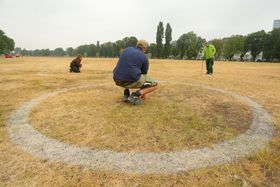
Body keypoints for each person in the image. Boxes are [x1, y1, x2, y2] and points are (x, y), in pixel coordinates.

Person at [113, 40, 158, 105]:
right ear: (145, 48)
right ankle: (135, 96)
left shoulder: (126, 50)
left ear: (137, 45)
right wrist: (143, 93)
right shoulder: (144, 57)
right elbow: (143, 75)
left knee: (128, 71)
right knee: (155, 84)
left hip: (116, 79)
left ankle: (126, 95)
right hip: (129, 81)